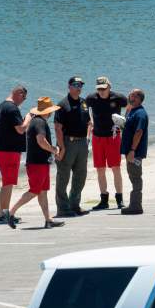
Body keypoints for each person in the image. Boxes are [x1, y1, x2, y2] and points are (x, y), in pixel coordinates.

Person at [8, 97, 65, 229]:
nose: (51, 113)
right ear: (48, 112)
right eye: (50, 111)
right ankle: (11, 212)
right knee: (34, 191)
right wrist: (54, 149)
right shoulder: (40, 122)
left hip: (40, 162)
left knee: (43, 191)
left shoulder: (36, 121)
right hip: (37, 163)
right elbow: (40, 140)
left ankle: (48, 220)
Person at [86, 76, 127, 210]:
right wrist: (88, 124)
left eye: (104, 88)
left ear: (109, 87)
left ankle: (119, 199)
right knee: (100, 169)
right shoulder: (91, 98)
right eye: (99, 89)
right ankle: (104, 200)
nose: (102, 91)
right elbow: (84, 110)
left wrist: (123, 122)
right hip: (97, 137)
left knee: (116, 168)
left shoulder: (118, 98)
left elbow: (131, 104)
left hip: (113, 136)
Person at [54, 76, 91, 217]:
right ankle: (63, 208)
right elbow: (57, 127)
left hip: (82, 143)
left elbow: (89, 122)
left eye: (80, 85)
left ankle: (74, 205)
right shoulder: (63, 104)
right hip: (67, 143)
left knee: (80, 175)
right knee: (63, 175)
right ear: (69, 86)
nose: (78, 87)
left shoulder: (84, 103)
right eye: (76, 85)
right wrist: (61, 147)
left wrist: (87, 138)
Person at [0, 85, 32, 225]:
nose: (23, 100)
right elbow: (21, 129)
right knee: (8, 182)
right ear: (18, 93)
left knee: (8, 182)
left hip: (4, 148)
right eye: (23, 97)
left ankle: (5, 213)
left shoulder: (3, 106)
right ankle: (3, 214)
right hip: (8, 150)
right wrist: (28, 117)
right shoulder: (11, 108)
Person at [120, 89, 149, 215]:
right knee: (132, 176)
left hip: (135, 152)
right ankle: (134, 204)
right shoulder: (132, 110)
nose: (129, 95)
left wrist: (132, 150)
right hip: (129, 151)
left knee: (136, 177)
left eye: (132, 94)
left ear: (137, 98)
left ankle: (136, 205)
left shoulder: (140, 114)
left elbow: (139, 132)